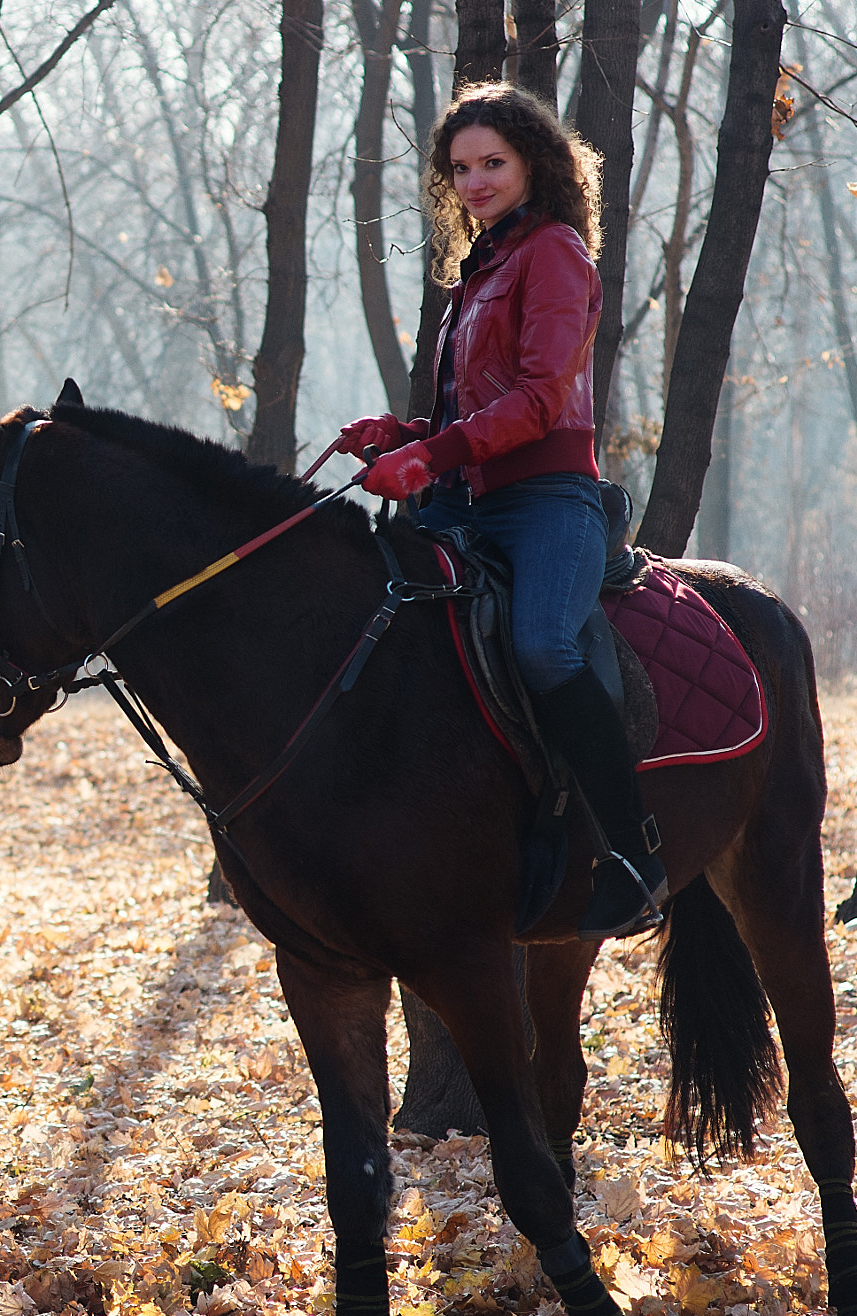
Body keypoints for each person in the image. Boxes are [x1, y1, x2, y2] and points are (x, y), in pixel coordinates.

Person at [335, 82, 667, 941]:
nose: (475, 181)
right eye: (461, 168)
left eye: (493, 163)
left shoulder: (555, 252)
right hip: (469, 498)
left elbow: (538, 399)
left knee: (542, 644)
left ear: (532, 164)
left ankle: (634, 857)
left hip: (546, 496)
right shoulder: (477, 269)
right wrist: (399, 434)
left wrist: (429, 455)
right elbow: (465, 417)